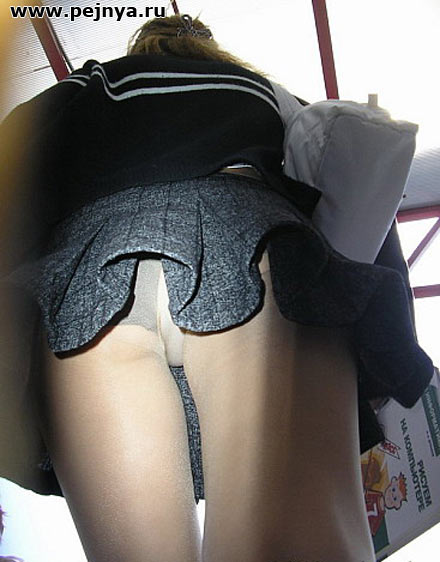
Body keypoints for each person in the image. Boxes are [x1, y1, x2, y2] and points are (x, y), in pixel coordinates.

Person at [0, 14, 434, 562]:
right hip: (253, 247)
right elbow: (362, 183)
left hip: (87, 279)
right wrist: (384, 357)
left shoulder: (93, 82)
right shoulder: (271, 95)